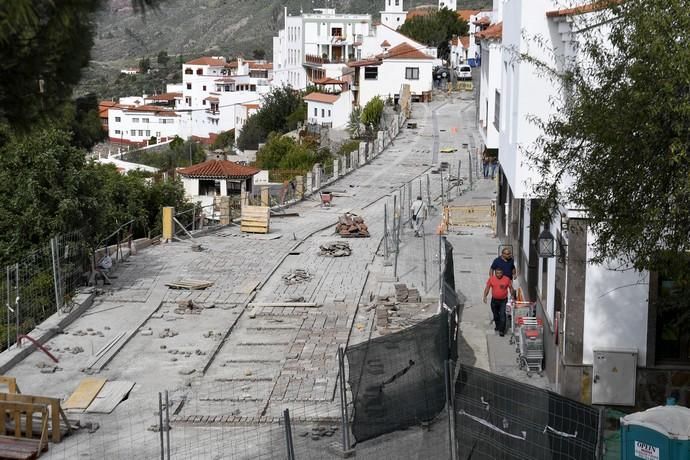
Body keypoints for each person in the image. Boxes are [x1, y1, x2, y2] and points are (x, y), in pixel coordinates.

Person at [483, 267, 514, 336]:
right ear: (495, 273)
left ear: (502, 273)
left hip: (503, 301)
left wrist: (512, 295)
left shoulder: (506, 279)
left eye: (500, 273)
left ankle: (501, 330)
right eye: (497, 273)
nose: (499, 274)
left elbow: (511, 288)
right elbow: (487, 288)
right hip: (494, 301)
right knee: (496, 315)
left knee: (502, 315)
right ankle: (497, 326)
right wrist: (485, 296)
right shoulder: (492, 279)